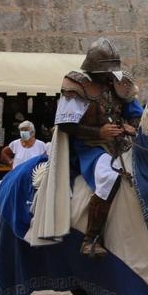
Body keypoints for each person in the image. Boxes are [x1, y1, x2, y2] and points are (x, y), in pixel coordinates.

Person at [55, 38, 142, 257]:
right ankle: (91, 239)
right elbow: (66, 125)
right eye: (104, 70)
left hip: (122, 144)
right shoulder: (77, 84)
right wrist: (99, 133)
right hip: (90, 148)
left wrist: (131, 127)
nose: (108, 75)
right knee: (108, 177)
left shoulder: (121, 83)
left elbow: (136, 115)